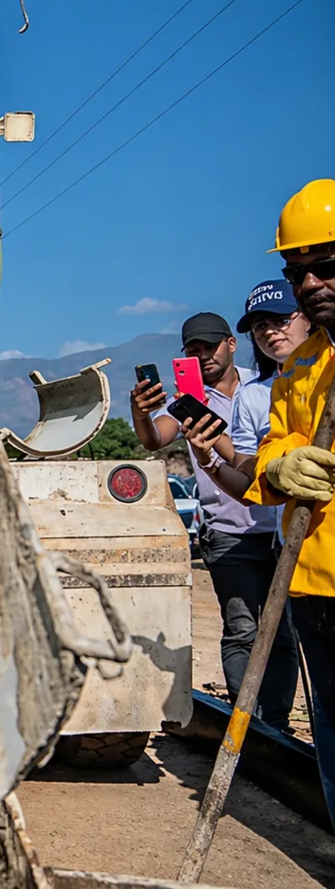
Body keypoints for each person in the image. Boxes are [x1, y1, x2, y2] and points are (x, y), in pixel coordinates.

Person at [130, 311, 296, 729]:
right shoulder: (187, 402)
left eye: (209, 346)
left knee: (282, 632)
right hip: (227, 533)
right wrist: (140, 414)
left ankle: (274, 724)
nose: (202, 356)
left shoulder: (268, 384)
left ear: (231, 344)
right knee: (242, 628)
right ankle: (248, 725)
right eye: (192, 350)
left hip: (279, 528)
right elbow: (153, 439)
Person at [247, 177, 335, 823]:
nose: (309, 285)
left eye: (324, 267)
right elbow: (270, 460)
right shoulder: (301, 369)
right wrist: (284, 464)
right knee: (332, 740)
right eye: (296, 272)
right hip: (311, 586)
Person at [181, 280, 311, 505]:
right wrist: (208, 460)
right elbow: (250, 488)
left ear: (308, 319)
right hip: (294, 533)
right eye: (260, 326)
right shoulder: (252, 395)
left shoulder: (328, 375)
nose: (270, 331)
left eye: (282, 321)